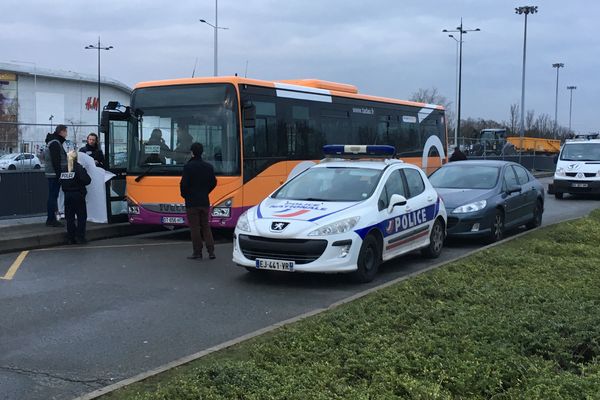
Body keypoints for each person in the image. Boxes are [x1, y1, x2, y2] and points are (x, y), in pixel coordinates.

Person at [180, 142, 217, 260]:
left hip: (192, 202)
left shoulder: (188, 167)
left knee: (195, 228)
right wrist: (206, 192)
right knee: (206, 226)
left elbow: (184, 185)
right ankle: (211, 251)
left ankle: (197, 252)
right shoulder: (208, 167)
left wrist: (185, 195)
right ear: (202, 152)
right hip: (204, 201)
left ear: (192, 153)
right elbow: (213, 182)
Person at [60, 151, 91, 244]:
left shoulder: (64, 168)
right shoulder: (78, 167)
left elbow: (61, 181)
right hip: (78, 194)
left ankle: (70, 237)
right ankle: (80, 237)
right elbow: (87, 180)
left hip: (67, 195)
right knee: (81, 216)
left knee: (69, 218)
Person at [44, 125, 68, 227]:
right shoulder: (55, 143)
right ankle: (51, 219)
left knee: (53, 196)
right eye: (66, 131)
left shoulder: (53, 141)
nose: (66, 134)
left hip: (52, 173)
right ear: (61, 132)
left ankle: (51, 218)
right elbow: (56, 160)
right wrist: (59, 175)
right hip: (54, 174)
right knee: (53, 197)